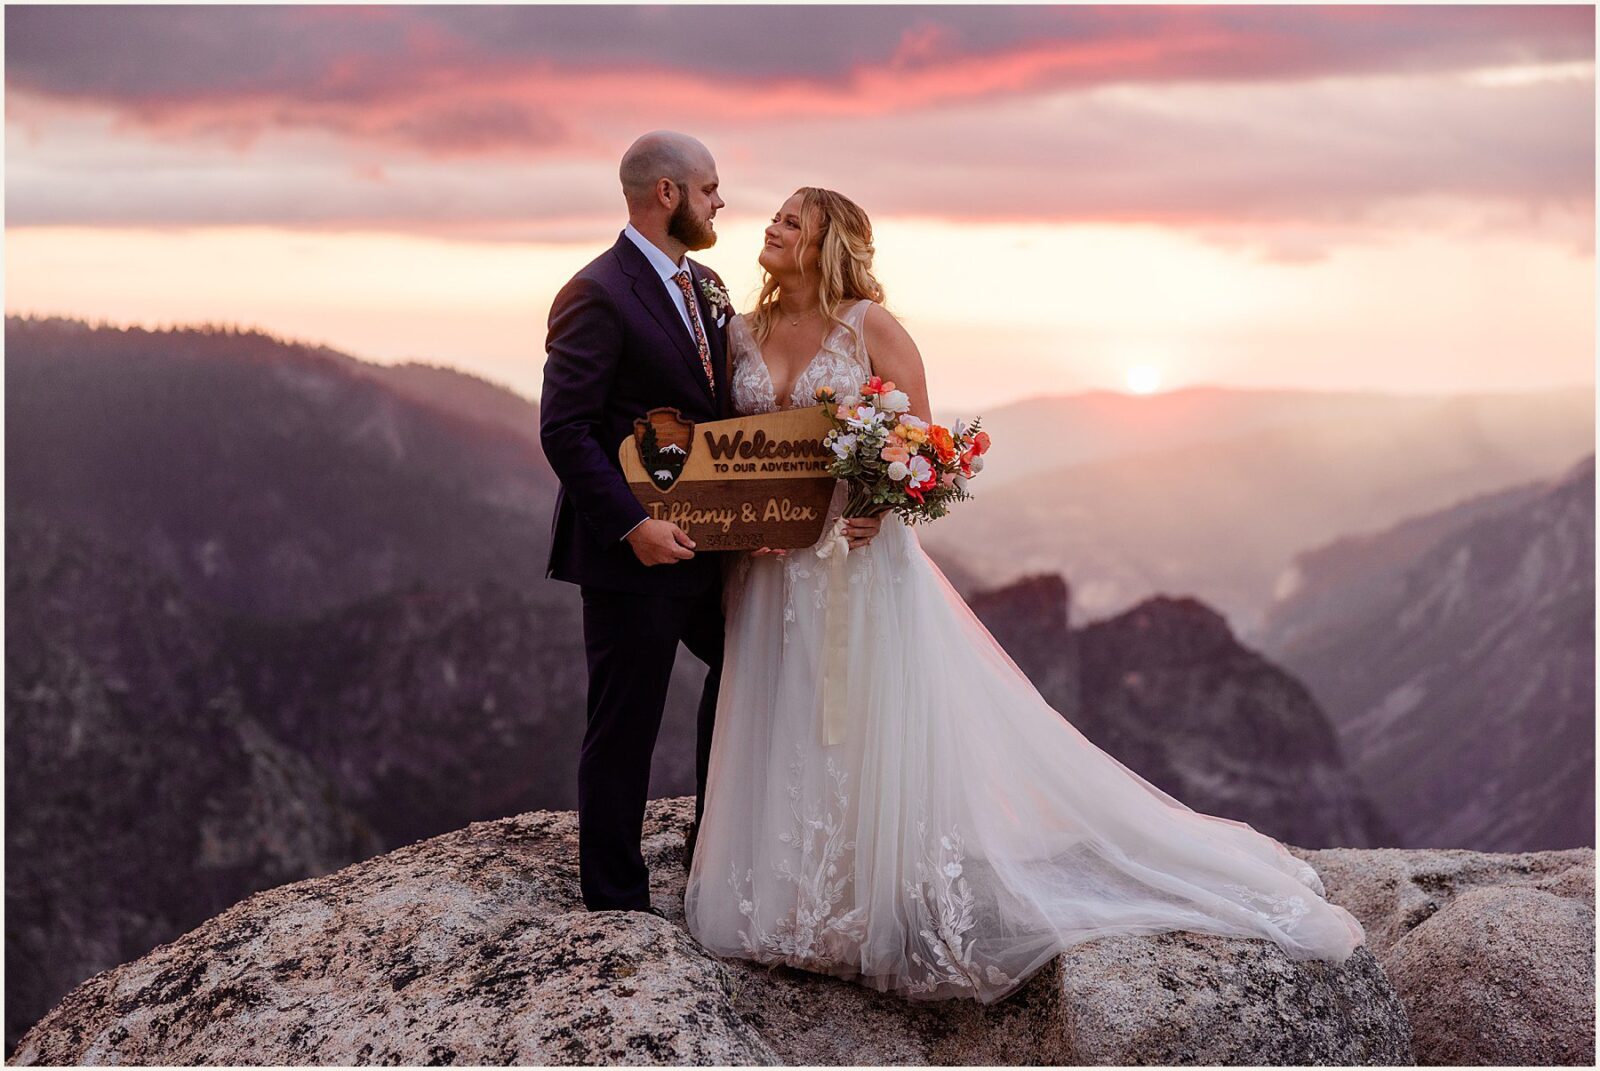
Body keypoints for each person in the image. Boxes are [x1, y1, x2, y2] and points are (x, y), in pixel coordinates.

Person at [682, 187, 1366, 1001]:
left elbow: (922, 446)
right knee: (777, 709)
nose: (772, 226)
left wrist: (872, 501)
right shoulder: (739, 333)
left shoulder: (870, 327)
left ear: (830, 245)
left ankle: (859, 903)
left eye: (793, 221)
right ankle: (783, 893)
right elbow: (725, 452)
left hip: (855, 563)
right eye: (776, 217)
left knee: (861, 719)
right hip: (766, 567)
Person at [539, 131, 732, 915]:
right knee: (626, 721)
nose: (721, 201)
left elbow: (721, 413)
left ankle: (719, 849)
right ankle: (616, 900)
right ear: (666, 192)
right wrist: (632, 527)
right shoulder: (596, 291)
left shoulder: (709, 284)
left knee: (751, 671)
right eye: (711, 187)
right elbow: (565, 429)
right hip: (631, 555)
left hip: (710, 545)